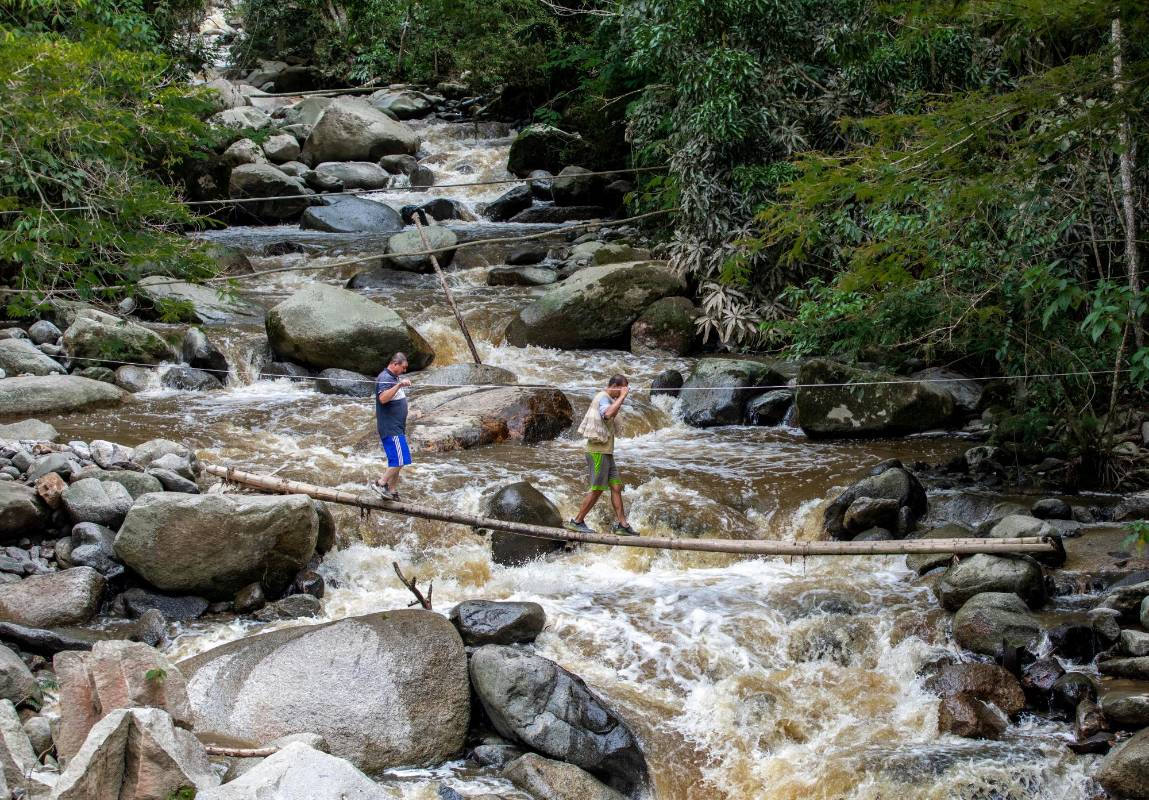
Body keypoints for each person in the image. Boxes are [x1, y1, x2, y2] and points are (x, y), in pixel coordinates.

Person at [566, 375, 639, 536]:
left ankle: (623, 525)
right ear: (615, 386)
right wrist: (622, 396)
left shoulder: (608, 398)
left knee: (616, 487)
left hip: (606, 452)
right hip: (597, 452)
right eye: (623, 388)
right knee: (598, 489)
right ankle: (577, 521)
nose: (625, 391)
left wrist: (621, 396)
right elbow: (607, 414)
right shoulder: (603, 398)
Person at [373, 352, 412, 500]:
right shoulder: (385, 378)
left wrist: (399, 382)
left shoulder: (393, 377)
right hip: (391, 428)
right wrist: (400, 385)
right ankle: (380, 483)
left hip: (397, 427)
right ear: (395, 364)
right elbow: (383, 398)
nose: (404, 371)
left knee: (396, 461)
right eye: (403, 367)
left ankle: (392, 490)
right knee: (402, 460)